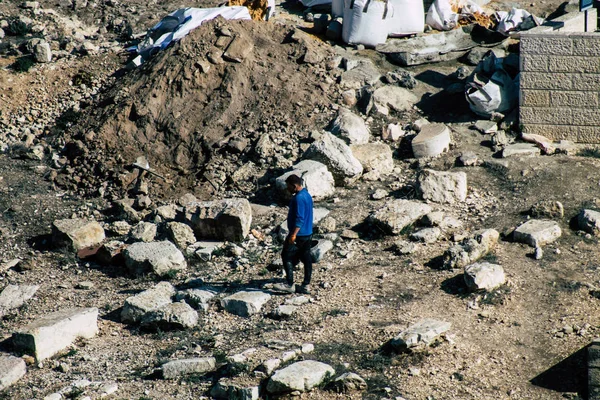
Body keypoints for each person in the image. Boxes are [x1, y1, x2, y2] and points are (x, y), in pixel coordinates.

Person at [274, 174, 313, 294]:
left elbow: (300, 218)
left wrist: (293, 235)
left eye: (288, 186)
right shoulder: (307, 194)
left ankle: (289, 284)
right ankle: (306, 285)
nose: (287, 189)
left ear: (295, 185)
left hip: (299, 234)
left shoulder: (298, 198)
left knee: (286, 256)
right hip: (308, 232)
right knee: (306, 258)